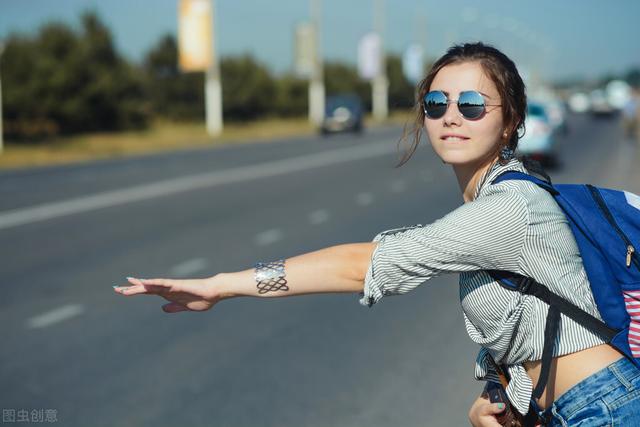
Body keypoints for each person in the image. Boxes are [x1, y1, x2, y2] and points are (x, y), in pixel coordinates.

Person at [113, 42, 640, 426]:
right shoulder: (499, 199)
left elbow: (363, 265)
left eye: (473, 106)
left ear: (510, 122)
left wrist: (221, 285)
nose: (451, 117)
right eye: (437, 104)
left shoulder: (509, 211)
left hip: (605, 407)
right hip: (578, 407)